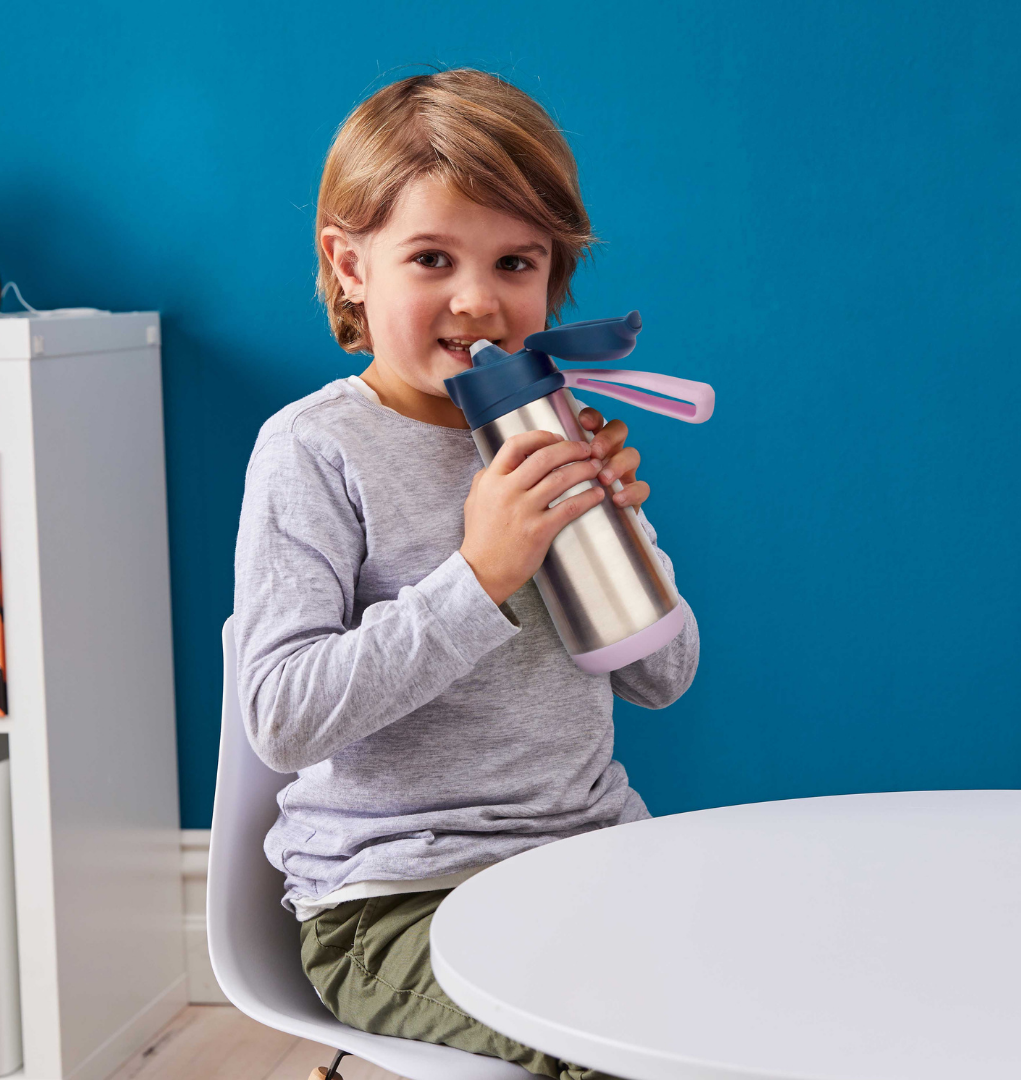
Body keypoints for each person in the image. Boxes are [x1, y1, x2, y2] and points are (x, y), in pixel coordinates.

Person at [233, 68, 700, 1080]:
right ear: (351, 266)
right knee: (612, 1044)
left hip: (590, 865)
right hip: (396, 903)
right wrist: (479, 576)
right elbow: (280, 717)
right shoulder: (315, 450)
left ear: (553, 277)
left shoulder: (551, 434)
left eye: (515, 262)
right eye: (432, 258)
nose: (478, 299)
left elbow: (663, 679)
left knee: (755, 994)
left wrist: (618, 532)